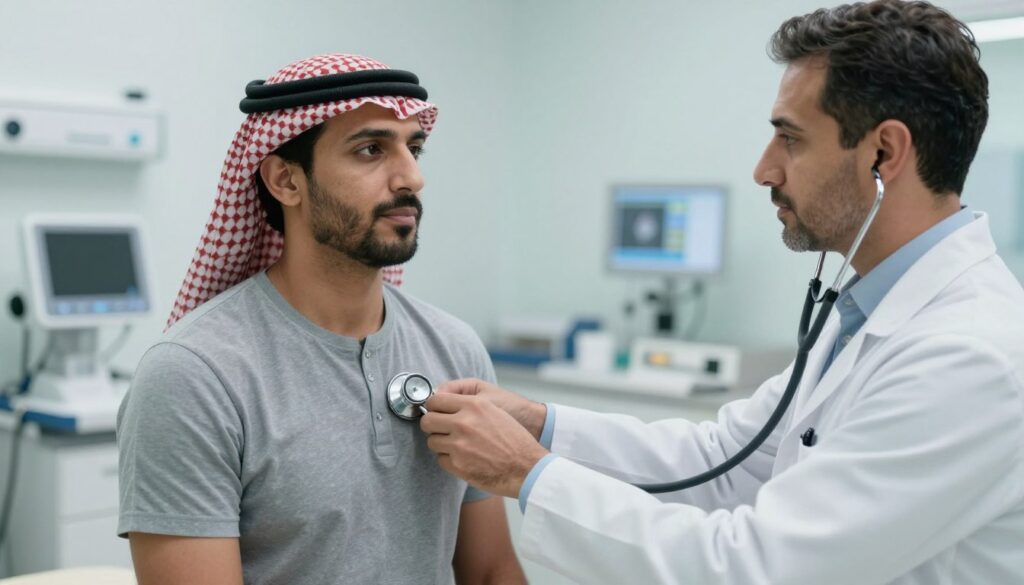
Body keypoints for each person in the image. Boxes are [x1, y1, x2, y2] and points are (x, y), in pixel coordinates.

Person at [419, 2, 1024, 584]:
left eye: (790, 138)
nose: (764, 170)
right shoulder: (867, 313)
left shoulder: (967, 356)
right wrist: (539, 424)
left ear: (883, 152)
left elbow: (755, 569)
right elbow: (724, 458)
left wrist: (527, 472)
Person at [117, 53, 525, 585]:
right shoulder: (194, 377)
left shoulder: (455, 348)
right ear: (286, 181)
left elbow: (492, 571)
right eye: (371, 149)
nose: (412, 177)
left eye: (414, 147)